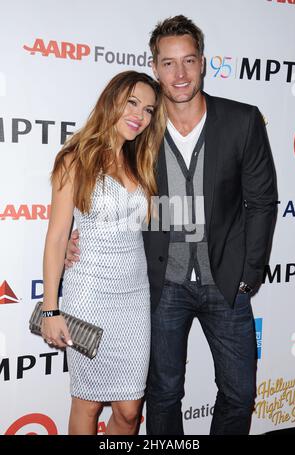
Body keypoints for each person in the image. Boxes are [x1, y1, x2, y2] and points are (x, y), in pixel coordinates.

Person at [65, 16, 277, 435]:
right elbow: (100, 184)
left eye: (188, 61)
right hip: (161, 284)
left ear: (203, 63)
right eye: (167, 63)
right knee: (162, 394)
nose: (179, 74)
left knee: (238, 393)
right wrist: (80, 234)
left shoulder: (242, 120)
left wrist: (250, 273)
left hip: (227, 282)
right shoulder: (142, 128)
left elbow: (263, 202)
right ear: (155, 66)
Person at [41, 70, 165, 435]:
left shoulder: (141, 162)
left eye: (147, 109)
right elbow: (57, 236)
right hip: (89, 293)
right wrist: (51, 308)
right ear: (112, 101)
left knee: (129, 410)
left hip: (134, 296)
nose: (139, 116)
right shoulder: (74, 159)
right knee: (88, 402)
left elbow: (152, 225)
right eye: (132, 103)